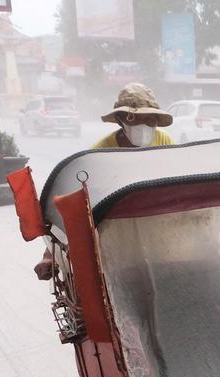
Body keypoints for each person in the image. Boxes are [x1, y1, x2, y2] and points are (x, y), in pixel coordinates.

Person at [33, 83, 174, 279]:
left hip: (159, 232)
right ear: (120, 119)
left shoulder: (165, 142)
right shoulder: (99, 154)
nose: (144, 125)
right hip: (117, 240)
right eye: (135, 119)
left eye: (150, 119)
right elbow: (72, 205)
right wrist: (49, 255)